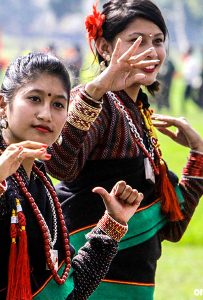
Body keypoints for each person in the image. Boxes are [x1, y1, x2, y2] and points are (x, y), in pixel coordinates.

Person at [45, 1, 203, 299]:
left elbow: (173, 227)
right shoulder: (95, 103)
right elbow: (60, 166)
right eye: (136, 41)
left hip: (134, 282)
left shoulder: (138, 112)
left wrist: (198, 154)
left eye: (157, 41)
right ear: (104, 47)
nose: (151, 51)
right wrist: (95, 91)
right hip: (92, 281)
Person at [0, 51, 145, 300]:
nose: (46, 114)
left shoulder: (40, 181)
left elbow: (69, 291)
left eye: (58, 104)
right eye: (34, 98)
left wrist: (112, 225)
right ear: (3, 105)